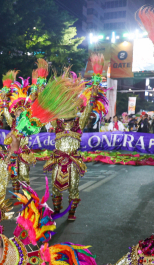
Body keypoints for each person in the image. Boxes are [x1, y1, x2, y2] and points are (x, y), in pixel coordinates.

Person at [43, 70, 104, 221]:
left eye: (72, 105)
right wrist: (42, 92)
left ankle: (71, 213)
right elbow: (46, 110)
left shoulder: (79, 123)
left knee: (74, 188)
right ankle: (57, 210)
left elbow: (89, 108)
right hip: (58, 160)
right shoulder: (56, 123)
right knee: (55, 188)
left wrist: (93, 94)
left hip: (73, 161)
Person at [0, 77, 36, 192]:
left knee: (24, 175)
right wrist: (4, 101)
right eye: (17, 114)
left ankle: (26, 194)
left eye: (21, 114)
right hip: (14, 153)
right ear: (14, 115)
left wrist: (35, 99)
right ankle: (16, 193)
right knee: (14, 174)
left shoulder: (28, 125)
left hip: (24, 153)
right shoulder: (12, 123)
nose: (19, 116)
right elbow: (6, 113)